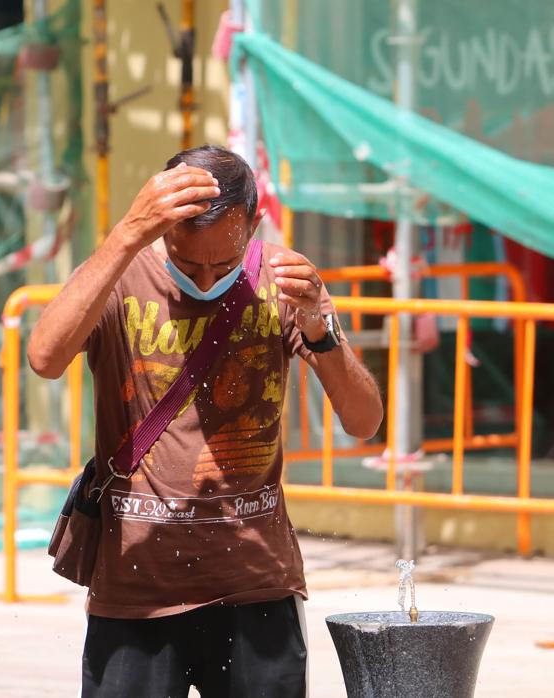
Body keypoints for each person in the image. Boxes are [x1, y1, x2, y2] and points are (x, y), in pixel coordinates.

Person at [27, 145, 383, 697]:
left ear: (254, 223)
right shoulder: (118, 274)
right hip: (137, 589)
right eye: (188, 262)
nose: (207, 276)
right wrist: (127, 234)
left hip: (255, 587)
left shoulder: (283, 281)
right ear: (162, 225)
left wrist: (320, 326)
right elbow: (45, 359)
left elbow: (363, 421)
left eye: (223, 263)